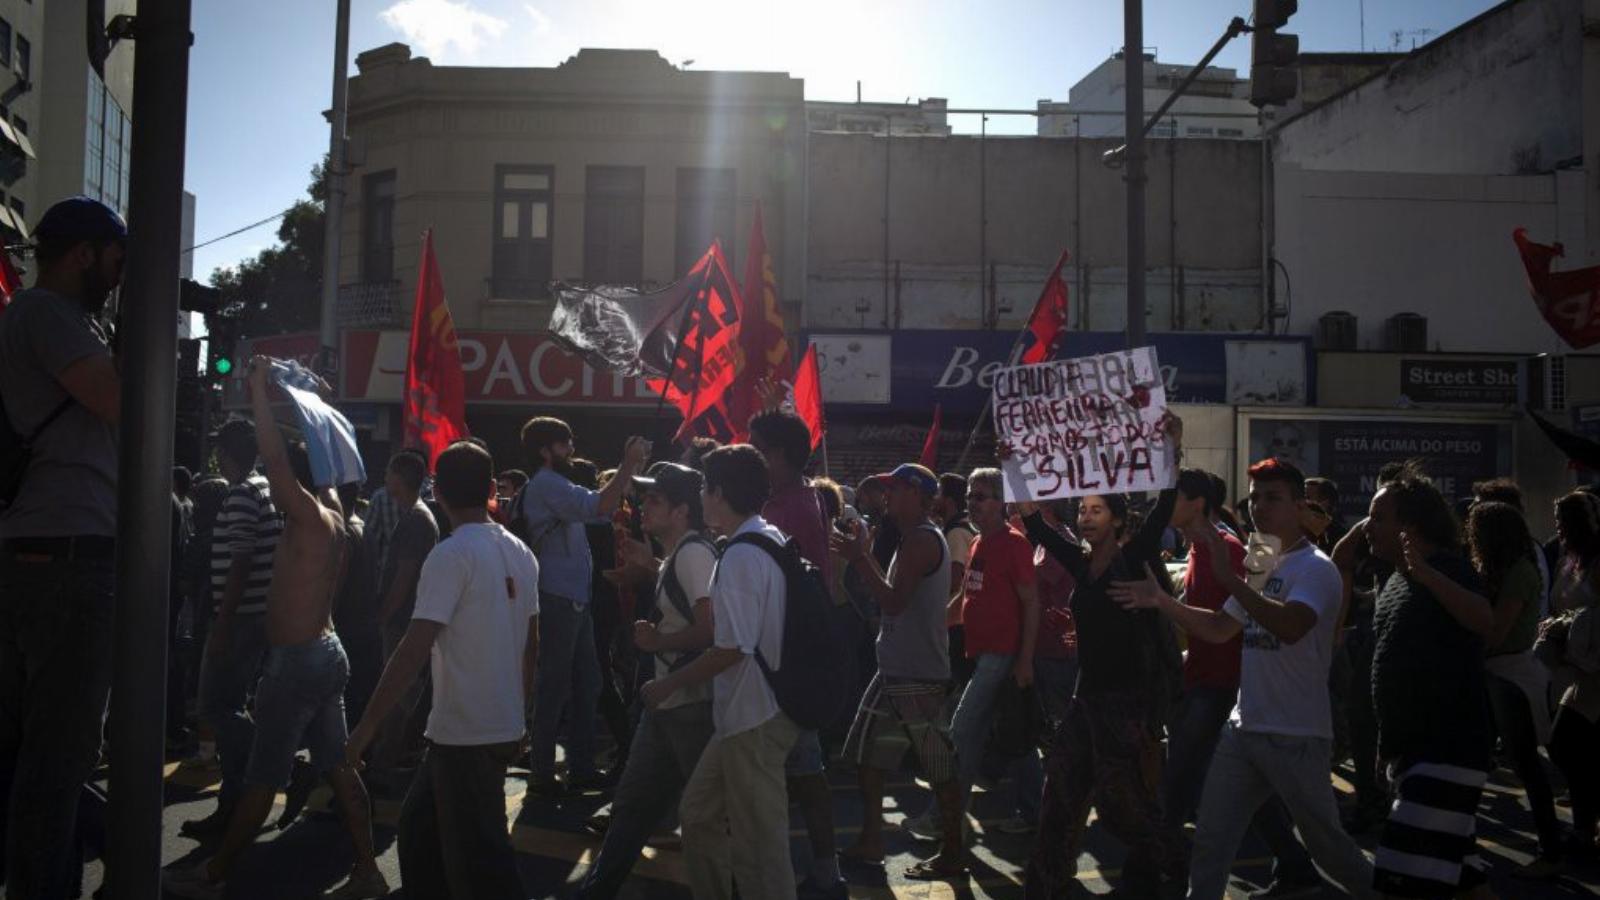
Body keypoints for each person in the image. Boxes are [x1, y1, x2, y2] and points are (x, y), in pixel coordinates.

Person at [165, 357, 385, 900]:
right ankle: (368, 872)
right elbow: (327, 463)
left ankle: (213, 877)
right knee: (336, 766)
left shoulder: (309, 517)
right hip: (326, 653)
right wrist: (317, 403)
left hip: (298, 663)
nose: (275, 485)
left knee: (265, 777)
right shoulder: (333, 511)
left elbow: (274, 458)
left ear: (298, 485)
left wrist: (262, 391)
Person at [1110, 458, 1375, 900]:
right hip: (1244, 726)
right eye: (1254, 498)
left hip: (1296, 734)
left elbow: (1291, 627)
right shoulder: (1261, 557)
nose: (1260, 508)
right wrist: (1159, 599)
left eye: (1273, 498)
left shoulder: (1316, 567)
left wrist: (1229, 579)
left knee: (1330, 849)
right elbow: (1218, 628)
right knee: (1212, 841)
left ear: (1298, 505)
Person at [345, 440, 539, 900]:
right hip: (479, 728)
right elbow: (532, 645)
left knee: (480, 866)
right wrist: (522, 715)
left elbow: (412, 650)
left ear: (439, 493)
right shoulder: (521, 553)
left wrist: (364, 731)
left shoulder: (450, 555)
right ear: (493, 489)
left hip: (465, 734)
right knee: (420, 833)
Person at [0, 196, 125, 899]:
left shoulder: (56, 317)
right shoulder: (47, 314)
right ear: (83, 255)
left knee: (28, 764)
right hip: (66, 561)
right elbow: (120, 401)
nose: (118, 276)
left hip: (47, 556)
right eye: (115, 261)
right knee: (54, 770)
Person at [1016, 416, 1186, 899]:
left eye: (1096, 510)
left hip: (1126, 706)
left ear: (1116, 518)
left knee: (1122, 808)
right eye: (1082, 510)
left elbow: (1163, 506)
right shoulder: (1079, 559)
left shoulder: (1134, 557)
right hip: (1084, 699)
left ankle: (1176, 868)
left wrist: (1171, 448)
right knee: (1059, 797)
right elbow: (1035, 524)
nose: (1085, 517)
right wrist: (1014, 464)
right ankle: (1045, 887)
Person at [640, 444, 800, 900]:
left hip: (756, 715)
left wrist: (668, 682)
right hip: (743, 715)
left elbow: (730, 649)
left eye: (706, 488)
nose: (702, 497)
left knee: (759, 850)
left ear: (719, 493)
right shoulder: (763, 538)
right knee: (698, 814)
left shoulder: (742, 555)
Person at [576, 463, 717, 900]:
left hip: (691, 704)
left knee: (707, 819)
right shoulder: (681, 554)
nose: (641, 507)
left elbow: (713, 630)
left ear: (681, 511)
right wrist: (650, 567)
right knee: (632, 807)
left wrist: (659, 642)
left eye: (653, 500)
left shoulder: (694, 553)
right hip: (667, 704)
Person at [1365, 466, 1496, 899]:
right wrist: (1389, 744)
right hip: (1413, 754)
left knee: (1400, 880)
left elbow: (1483, 619)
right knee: (1464, 878)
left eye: (1379, 517)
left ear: (1412, 526)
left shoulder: (1447, 569)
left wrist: (1425, 573)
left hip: (1447, 749)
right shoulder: (1396, 579)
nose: (1369, 526)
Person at [832, 464, 965, 878]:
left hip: (916, 675)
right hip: (896, 669)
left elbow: (892, 602)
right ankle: (872, 841)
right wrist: (864, 554)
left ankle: (955, 851)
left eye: (897, 489)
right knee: (868, 759)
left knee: (938, 767)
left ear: (920, 497)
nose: (887, 495)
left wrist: (860, 558)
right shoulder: (914, 537)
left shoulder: (922, 540)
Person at [518, 417, 648, 795]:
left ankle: (579, 766)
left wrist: (627, 469)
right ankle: (544, 772)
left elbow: (602, 507)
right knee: (556, 686)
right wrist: (627, 463)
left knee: (586, 684)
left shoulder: (554, 484)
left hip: (573, 597)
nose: (571, 449)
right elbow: (599, 505)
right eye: (564, 443)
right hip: (558, 596)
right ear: (545, 450)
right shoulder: (546, 484)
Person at [746, 409, 844, 899]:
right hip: (783, 659)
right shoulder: (788, 500)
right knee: (798, 772)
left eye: (756, 447)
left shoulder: (790, 510)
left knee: (802, 773)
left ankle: (819, 873)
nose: (750, 454)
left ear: (778, 455)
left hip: (789, 661)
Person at [181, 418, 284, 837]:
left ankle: (262, 775)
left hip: (238, 618)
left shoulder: (243, 494)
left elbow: (240, 560)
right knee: (232, 704)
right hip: (255, 615)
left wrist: (222, 623)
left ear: (224, 454)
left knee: (215, 707)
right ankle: (239, 797)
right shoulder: (265, 491)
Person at [1466, 501, 1562, 877]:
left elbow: (1497, 632)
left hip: (1511, 675)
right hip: (1493, 672)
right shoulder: (1494, 568)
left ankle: (1551, 851)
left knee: (1526, 765)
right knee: (1475, 759)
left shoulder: (1518, 572)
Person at [1160, 468, 1247, 827]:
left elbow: (1229, 623)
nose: (1165, 505)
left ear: (1196, 504)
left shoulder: (1229, 551)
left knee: (1177, 775)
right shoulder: (1196, 549)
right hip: (1199, 676)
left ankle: (1161, 855)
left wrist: (1161, 602)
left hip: (1219, 682)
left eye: (1174, 497)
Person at [368, 450, 439, 773]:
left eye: (389, 472)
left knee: (401, 689)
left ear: (400, 477)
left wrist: (385, 611)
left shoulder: (415, 519)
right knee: (399, 691)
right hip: (408, 615)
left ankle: (428, 748)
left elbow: (405, 573)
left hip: (403, 617)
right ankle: (389, 755)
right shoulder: (416, 514)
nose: (385, 478)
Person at [1545, 490, 1600, 858]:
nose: (1559, 530)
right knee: (1576, 750)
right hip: (1573, 666)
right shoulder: (1570, 560)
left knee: (1565, 743)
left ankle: (1583, 830)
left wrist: (1570, 626)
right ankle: (1585, 827)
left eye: (1564, 523)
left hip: (1594, 673)